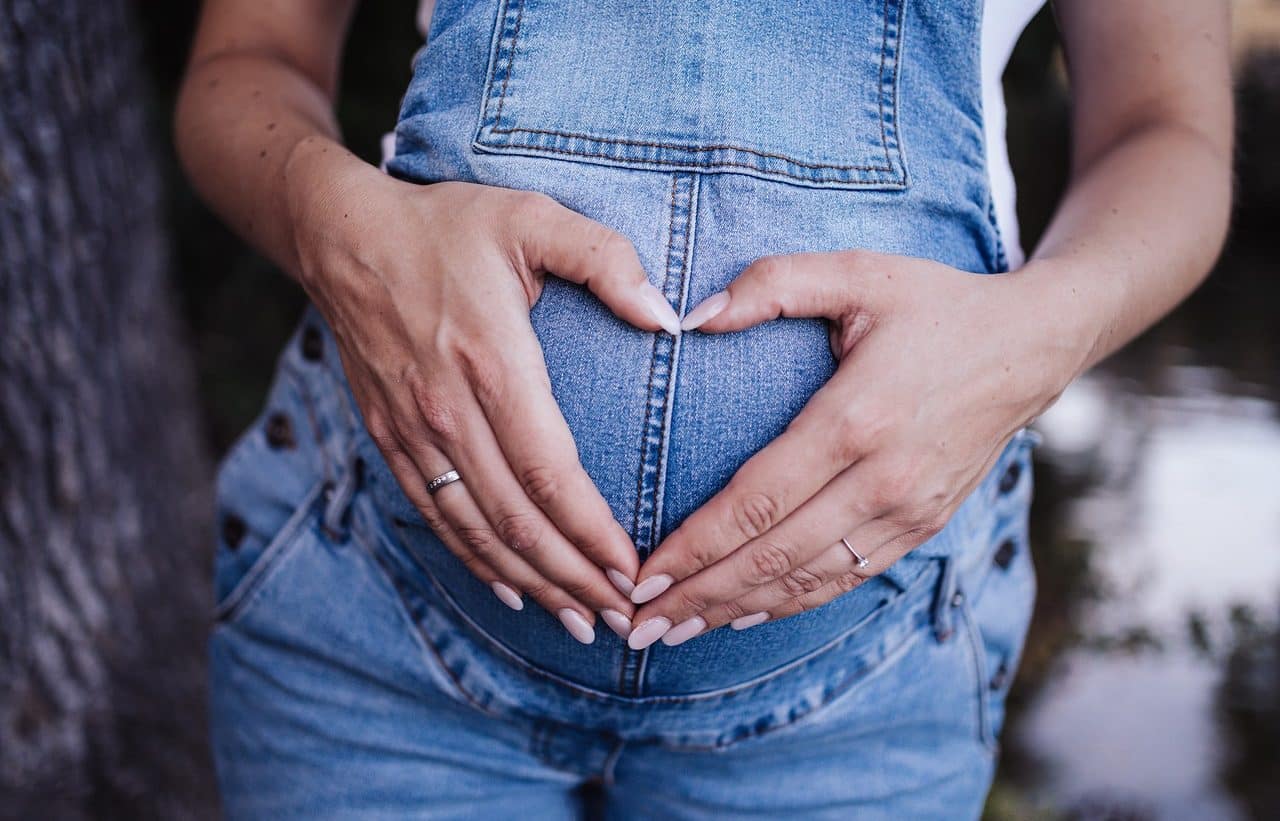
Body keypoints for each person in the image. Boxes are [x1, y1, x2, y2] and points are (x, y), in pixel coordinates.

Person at [175, 0, 1232, 817]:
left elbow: (1165, 131)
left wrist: (1031, 337)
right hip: (376, 627)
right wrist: (335, 225)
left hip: (861, 688)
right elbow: (246, 62)